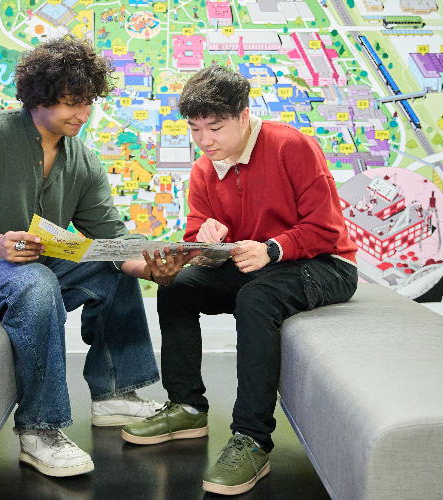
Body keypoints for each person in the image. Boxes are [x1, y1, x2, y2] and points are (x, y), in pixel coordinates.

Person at [0, 36, 197, 479]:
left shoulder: (81, 159)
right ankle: (40, 431)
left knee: (105, 259)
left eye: (88, 103)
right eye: (70, 103)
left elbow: (113, 240)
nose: (82, 114)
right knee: (37, 281)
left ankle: (115, 394)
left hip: (20, 269)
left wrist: (150, 270)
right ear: (38, 97)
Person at [121, 66, 358, 495]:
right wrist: (203, 240)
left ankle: (252, 438)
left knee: (256, 297)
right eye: (195, 129)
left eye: (215, 127)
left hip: (326, 265)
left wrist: (272, 248)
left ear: (244, 116)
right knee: (177, 285)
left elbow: (327, 229)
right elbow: (196, 234)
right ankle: (188, 405)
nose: (205, 140)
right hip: (256, 266)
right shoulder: (203, 171)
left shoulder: (292, 146)